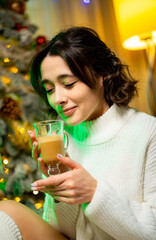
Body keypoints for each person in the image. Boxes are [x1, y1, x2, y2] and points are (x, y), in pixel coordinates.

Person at [0, 26, 156, 240]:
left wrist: (93, 193)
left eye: (69, 84)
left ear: (102, 74)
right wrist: (59, 183)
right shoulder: (61, 138)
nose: (57, 99)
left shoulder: (147, 132)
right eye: (49, 89)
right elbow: (62, 233)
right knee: (6, 212)